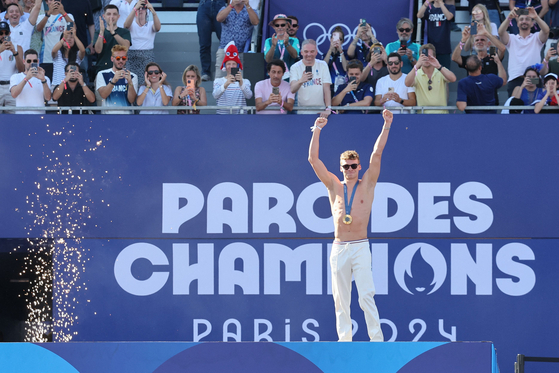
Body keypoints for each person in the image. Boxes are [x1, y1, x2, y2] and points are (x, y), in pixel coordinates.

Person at [307, 110, 392, 342]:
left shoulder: (368, 185)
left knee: (366, 295)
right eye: (346, 166)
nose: (350, 170)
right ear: (341, 168)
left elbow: (377, 153)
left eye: (353, 165)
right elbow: (313, 160)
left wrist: (386, 125)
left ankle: (377, 341)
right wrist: (317, 129)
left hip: (361, 245)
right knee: (340, 298)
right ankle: (345, 341)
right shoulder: (334, 185)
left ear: (359, 166)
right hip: (340, 246)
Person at [499, 6, 549, 96]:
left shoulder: (536, 37)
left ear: (532, 24)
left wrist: (536, 17)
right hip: (516, 78)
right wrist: (509, 18)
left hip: (534, 78)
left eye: (527, 19)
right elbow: (501, 32)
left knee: (535, 107)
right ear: (517, 23)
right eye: (521, 19)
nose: (524, 21)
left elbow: (546, 31)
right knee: (515, 108)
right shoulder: (512, 38)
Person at [452, 25, 506, 105]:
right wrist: (463, 40)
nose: (479, 41)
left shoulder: (494, 57)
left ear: (488, 44)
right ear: (473, 44)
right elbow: (455, 58)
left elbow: (502, 49)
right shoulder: (470, 60)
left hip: (490, 102)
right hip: (472, 103)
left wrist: (487, 34)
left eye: (482, 40)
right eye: (477, 40)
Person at [405, 44, 456, 113]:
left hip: (442, 114)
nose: (426, 58)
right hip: (423, 115)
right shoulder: (416, 73)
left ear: (434, 57)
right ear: (419, 57)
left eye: (429, 56)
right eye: (424, 56)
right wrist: (417, 65)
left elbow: (453, 79)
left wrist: (438, 66)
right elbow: (407, 83)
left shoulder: (440, 70)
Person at [215, 0, 259, 80]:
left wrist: (247, 5)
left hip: (241, 52)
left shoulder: (250, 10)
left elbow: (255, 22)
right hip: (224, 50)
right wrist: (231, 5)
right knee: (220, 79)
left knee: (240, 81)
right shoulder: (225, 8)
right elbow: (218, 18)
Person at [290, 39, 332, 117]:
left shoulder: (322, 65)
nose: (309, 54)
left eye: (312, 51)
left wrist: (328, 109)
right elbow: (292, 89)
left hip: (320, 112)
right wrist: (301, 81)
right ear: (301, 52)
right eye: (306, 51)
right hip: (302, 112)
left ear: (316, 52)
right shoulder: (295, 67)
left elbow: (327, 89)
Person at [123, 0, 161, 86]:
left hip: (147, 57)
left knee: (147, 84)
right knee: (131, 84)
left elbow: (158, 28)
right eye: (139, 9)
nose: (141, 10)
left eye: (143, 8)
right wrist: (135, 8)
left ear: (146, 11)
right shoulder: (131, 24)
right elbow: (126, 25)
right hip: (132, 56)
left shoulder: (151, 24)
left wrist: (153, 11)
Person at [35, 0, 75, 80]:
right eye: (51, 0)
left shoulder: (68, 15)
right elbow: (38, 29)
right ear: (46, 2)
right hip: (47, 57)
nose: (54, 2)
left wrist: (63, 12)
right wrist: (48, 13)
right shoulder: (41, 17)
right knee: (47, 82)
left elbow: (73, 28)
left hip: (63, 57)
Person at [95, 44, 137, 114]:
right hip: (108, 116)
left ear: (126, 59)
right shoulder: (102, 74)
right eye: (118, 58)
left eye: (123, 58)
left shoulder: (132, 76)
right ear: (112, 59)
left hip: (127, 116)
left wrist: (130, 83)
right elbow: (103, 95)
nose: (121, 60)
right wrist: (113, 81)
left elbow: (132, 100)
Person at [212, 41, 252, 114]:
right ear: (225, 66)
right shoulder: (218, 81)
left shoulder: (245, 81)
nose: (231, 66)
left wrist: (241, 83)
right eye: (228, 64)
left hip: (240, 118)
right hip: (222, 118)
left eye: (234, 64)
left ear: (237, 65)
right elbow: (215, 95)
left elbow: (249, 96)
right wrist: (226, 84)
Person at [93, 4, 132, 76]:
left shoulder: (124, 32)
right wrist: (102, 32)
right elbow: (98, 50)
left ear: (118, 17)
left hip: (121, 70)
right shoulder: (98, 32)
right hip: (102, 69)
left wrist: (113, 33)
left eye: (114, 14)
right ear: (104, 16)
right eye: (108, 14)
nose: (111, 17)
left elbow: (126, 47)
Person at [9, 48, 52, 114]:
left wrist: (43, 80)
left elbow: (48, 98)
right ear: (24, 61)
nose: (32, 63)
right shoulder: (16, 77)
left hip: (39, 116)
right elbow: (14, 94)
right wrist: (27, 78)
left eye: (34, 61)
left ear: (38, 61)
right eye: (29, 61)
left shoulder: (45, 78)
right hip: (22, 116)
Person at [417, 0, 455, 69]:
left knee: (444, 73)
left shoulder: (450, 7)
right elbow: (419, 15)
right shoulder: (429, 8)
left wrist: (440, 3)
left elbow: (449, 17)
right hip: (431, 47)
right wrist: (427, 2)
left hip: (444, 48)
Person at [263, 14, 300, 81]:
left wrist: (287, 44)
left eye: (283, 25)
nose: (280, 27)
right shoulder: (268, 41)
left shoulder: (294, 40)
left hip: (291, 78)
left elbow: (295, 55)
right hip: (274, 78)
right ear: (274, 27)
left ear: (287, 26)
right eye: (277, 25)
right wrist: (273, 46)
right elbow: (267, 59)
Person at [196, 0, 225, 81]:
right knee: (204, 43)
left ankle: (227, 69)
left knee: (225, 42)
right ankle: (205, 72)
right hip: (204, 4)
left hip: (220, 5)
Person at [0, 21, 24, 112]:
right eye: (0, 33)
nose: (3, 35)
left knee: (14, 119)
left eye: (6, 33)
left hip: (11, 86)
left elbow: (21, 70)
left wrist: (14, 53)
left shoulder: (17, 47)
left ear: (9, 33)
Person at [323, 26, 348, 93]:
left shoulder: (346, 54)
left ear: (343, 41)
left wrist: (340, 51)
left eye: (339, 39)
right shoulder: (326, 55)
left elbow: (346, 68)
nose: (336, 41)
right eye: (334, 39)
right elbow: (323, 67)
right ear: (331, 39)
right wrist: (330, 50)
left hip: (343, 86)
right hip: (330, 87)